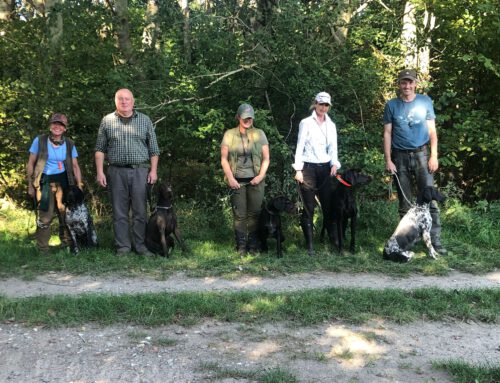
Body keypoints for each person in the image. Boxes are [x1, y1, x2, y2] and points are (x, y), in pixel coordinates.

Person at [383, 69, 447, 255]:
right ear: (399, 84)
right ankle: (406, 242)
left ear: (415, 84)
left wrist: (434, 155)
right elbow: (387, 133)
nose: (407, 86)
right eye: (404, 82)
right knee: (405, 203)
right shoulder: (392, 105)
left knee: (430, 200)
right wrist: (388, 159)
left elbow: (432, 131)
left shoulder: (425, 101)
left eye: (410, 82)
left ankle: (435, 241)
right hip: (399, 157)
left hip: (422, 155)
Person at [95, 88, 160, 256]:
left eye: (127, 99)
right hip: (116, 172)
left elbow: (154, 149)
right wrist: (100, 172)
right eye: (120, 99)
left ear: (133, 101)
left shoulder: (145, 120)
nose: (124, 102)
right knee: (119, 212)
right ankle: (123, 247)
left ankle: (141, 246)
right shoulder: (107, 121)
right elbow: (100, 150)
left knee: (140, 211)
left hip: (140, 171)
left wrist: (153, 171)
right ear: (115, 101)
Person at [27, 113, 83, 253]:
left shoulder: (69, 143)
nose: (57, 127)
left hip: (64, 182)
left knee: (65, 215)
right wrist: (30, 185)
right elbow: (30, 163)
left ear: (65, 128)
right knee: (45, 217)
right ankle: (43, 249)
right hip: (44, 182)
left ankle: (66, 245)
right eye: (55, 124)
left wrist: (79, 184)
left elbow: (75, 166)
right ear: (50, 126)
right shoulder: (39, 141)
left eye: (61, 125)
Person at [293, 92, 341, 256]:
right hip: (308, 168)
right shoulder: (305, 123)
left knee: (329, 205)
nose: (323, 108)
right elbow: (299, 146)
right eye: (321, 104)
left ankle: (334, 241)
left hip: (325, 168)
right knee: (308, 207)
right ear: (315, 104)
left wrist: (334, 163)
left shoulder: (331, 125)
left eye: (326, 105)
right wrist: (298, 169)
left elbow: (333, 147)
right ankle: (310, 245)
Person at [221, 103, 270, 256]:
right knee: (239, 215)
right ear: (238, 117)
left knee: (255, 214)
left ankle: (253, 246)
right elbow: (223, 159)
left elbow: (266, 159)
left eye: (250, 118)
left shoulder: (260, 133)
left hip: (256, 180)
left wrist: (260, 176)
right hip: (236, 181)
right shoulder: (229, 134)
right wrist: (230, 178)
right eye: (245, 118)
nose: (248, 120)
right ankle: (241, 246)